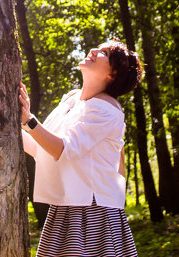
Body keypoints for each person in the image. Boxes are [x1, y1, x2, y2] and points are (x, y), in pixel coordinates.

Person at [19, 40, 142, 257]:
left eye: (104, 52)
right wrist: (15, 125)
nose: (93, 51)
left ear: (112, 74)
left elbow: (63, 150)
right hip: (65, 210)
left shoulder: (108, 110)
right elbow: (42, 149)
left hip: (95, 214)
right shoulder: (72, 100)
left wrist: (29, 120)